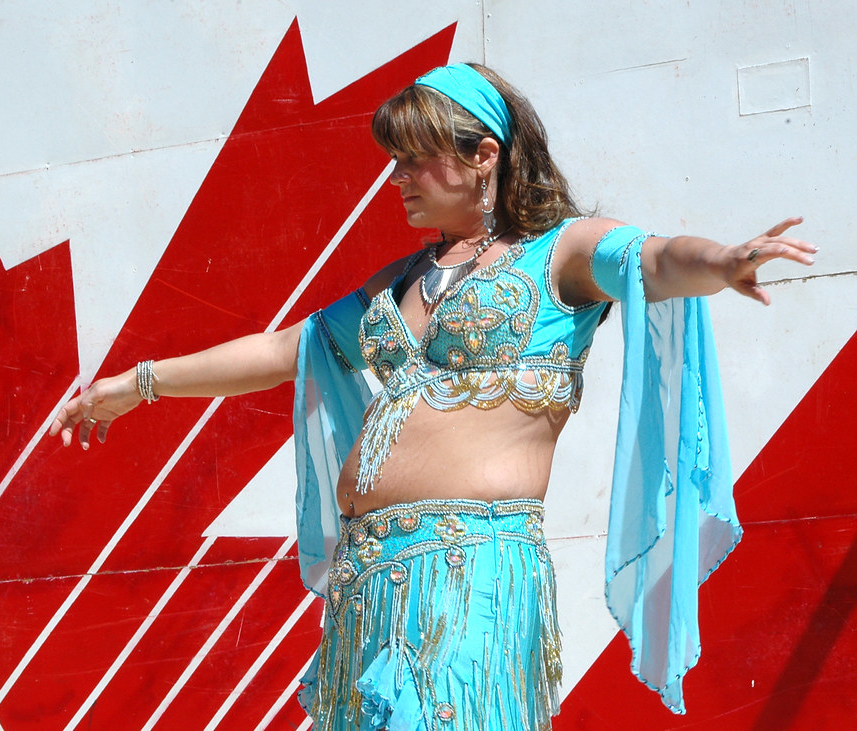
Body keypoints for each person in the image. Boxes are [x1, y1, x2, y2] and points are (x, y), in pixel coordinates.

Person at [50, 63, 815, 730]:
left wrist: (723, 258)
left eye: (415, 160)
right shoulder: (402, 280)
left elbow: (653, 257)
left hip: (468, 569)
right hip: (368, 580)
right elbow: (287, 348)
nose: (397, 178)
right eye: (394, 160)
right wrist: (138, 383)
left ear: (484, 156)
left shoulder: (562, 252)